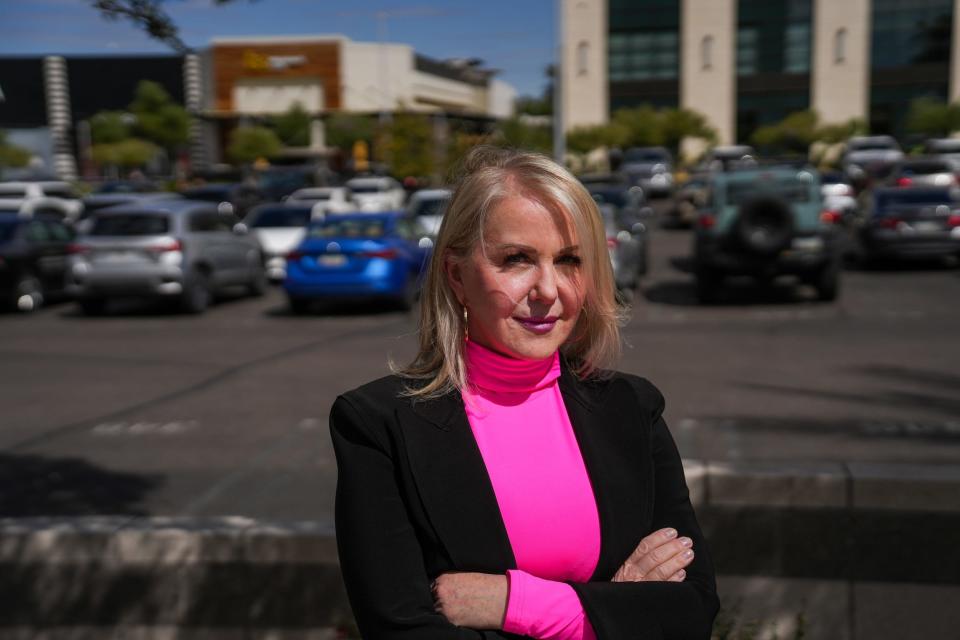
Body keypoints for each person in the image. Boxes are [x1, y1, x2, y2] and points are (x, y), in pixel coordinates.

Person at [330, 146, 719, 639]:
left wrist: (517, 602)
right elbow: (400, 629)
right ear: (456, 276)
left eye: (570, 260)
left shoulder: (632, 408)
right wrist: (616, 606)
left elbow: (692, 611)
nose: (548, 290)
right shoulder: (378, 425)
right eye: (517, 260)